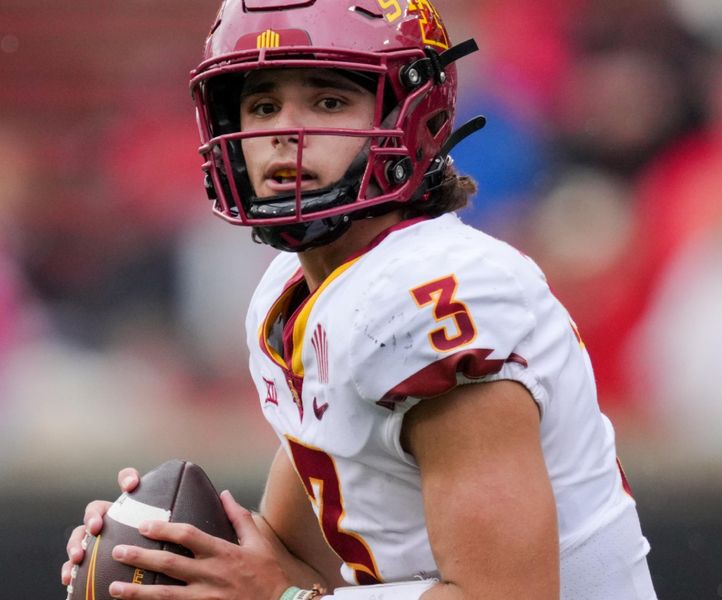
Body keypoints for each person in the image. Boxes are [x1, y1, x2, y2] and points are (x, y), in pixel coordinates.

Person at [62, 1, 657, 598]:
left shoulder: (431, 295)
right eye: (263, 106)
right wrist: (155, 557)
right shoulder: (293, 293)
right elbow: (297, 565)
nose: (284, 136)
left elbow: (507, 595)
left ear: (413, 115)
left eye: (329, 102)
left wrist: (280, 599)